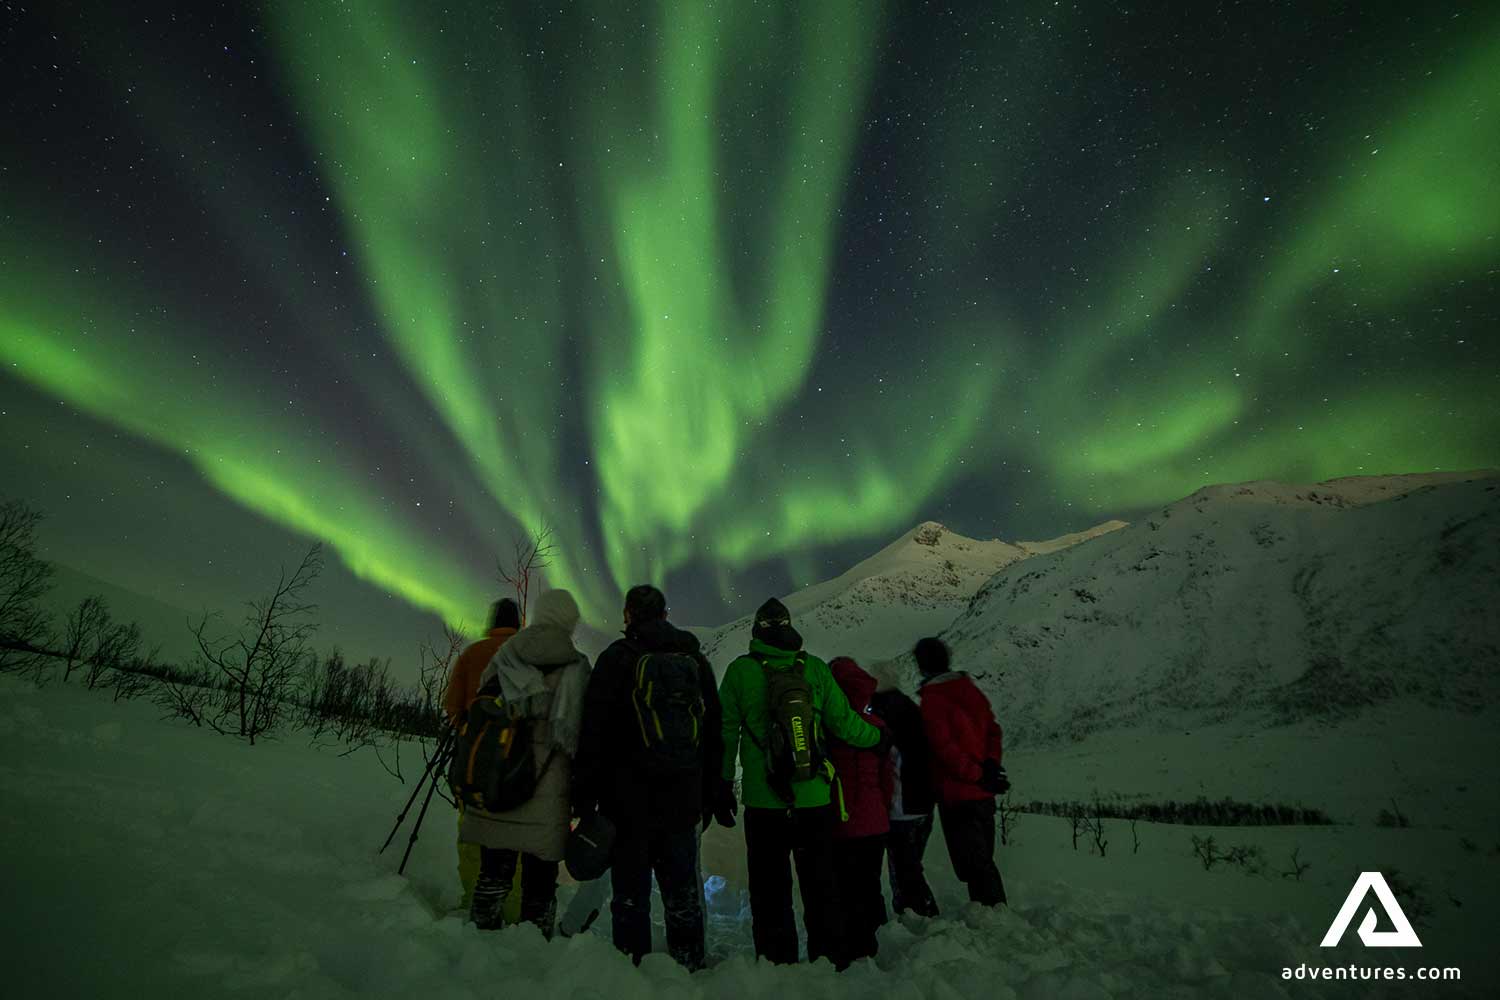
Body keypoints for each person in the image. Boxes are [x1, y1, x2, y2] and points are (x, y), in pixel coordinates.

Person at [717, 598, 881, 968]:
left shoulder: (741, 672)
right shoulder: (815, 669)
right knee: (821, 885)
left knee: (769, 891)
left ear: (757, 631)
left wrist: (723, 783)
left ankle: (777, 963)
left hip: (764, 804)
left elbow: (725, 733)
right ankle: (829, 960)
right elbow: (844, 724)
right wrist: (879, 738)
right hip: (814, 800)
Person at [573, 584, 724, 970]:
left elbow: (593, 733)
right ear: (665, 614)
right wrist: (712, 793)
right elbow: (713, 734)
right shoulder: (694, 660)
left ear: (628, 615)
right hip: (682, 801)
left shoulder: (616, 659)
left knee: (630, 896)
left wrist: (584, 796)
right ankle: (690, 967)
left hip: (626, 805)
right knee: (682, 895)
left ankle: (632, 969)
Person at [461, 589, 590, 935]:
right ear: (569, 620)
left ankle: (478, 940)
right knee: (540, 883)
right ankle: (534, 947)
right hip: (548, 787)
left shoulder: (506, 655)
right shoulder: (577, 666)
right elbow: (582, 732)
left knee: (493, 873)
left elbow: (482, 709)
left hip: (501, 776)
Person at [914, 636, 1008, 907]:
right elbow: (993, 730)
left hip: (958, 794)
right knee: (983, 861)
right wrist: (990, 765)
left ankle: (993, 916)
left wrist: (975, 774)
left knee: (974, 865)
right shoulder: (969, 689)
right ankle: (995, 914)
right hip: (983, 792)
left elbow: (944, 749)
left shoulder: (933, 700)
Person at [443, 598, 521, 912]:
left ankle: (471, 901)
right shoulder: (529, 657)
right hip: (516, 766)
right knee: (513, 839)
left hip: (473, 764)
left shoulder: (473, 654)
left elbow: (452, 706)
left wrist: (469, 729)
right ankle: (512, 910)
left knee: (472, 835)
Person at [826, 656, 893, 962]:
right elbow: (887, 779)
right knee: (870, 885)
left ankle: (852, 949)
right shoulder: (877, 728)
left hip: (842, 822)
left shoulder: (830, 728)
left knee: (845, 887)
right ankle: (876, 943)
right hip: (875, 821)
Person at [870, 667, 940, 918]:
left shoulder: (882, 716)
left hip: (901, 808)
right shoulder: (910, 709)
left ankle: (918, 915)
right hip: (923, 803)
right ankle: (919, 914)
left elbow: (887, 763)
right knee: (910, 867)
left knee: (904, 871)